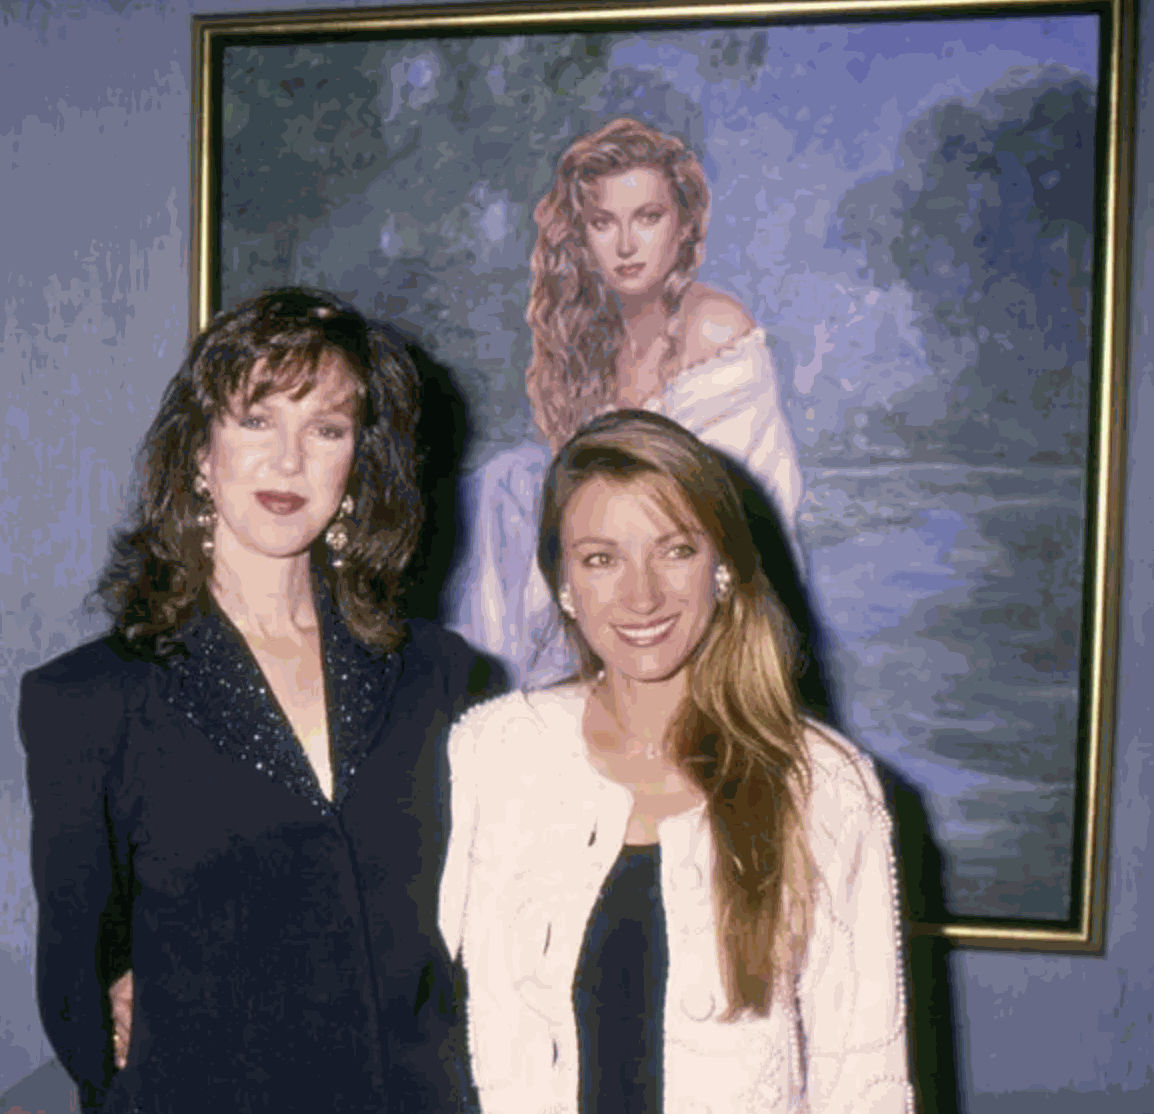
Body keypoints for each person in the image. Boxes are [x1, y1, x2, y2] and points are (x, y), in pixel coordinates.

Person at [19, 287, 493, 1114]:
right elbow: (78, 998)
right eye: (256, 420)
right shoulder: (90, 701)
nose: (288, 460)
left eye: (327, 429)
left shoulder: (441, 678)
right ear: (200, 453)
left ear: (359, 462)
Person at [439, 411, 912, 1114]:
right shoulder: (493, 754)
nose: (643, 596)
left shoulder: (823, 786)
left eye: (675, 551)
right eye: (602, 559)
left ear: (722, 568)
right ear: (563, 581)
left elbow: (866, 1084)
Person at [447, 116, 803, 686]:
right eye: (603, 223)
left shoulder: (712, 326)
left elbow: (721, 506)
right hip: (609, 555)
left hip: (703, 565)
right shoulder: (591, 339)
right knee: (504, 481)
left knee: (516, 484)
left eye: (648, 217)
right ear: (581, 238)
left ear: (684, 226)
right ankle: (517, 692)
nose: (627, 245)